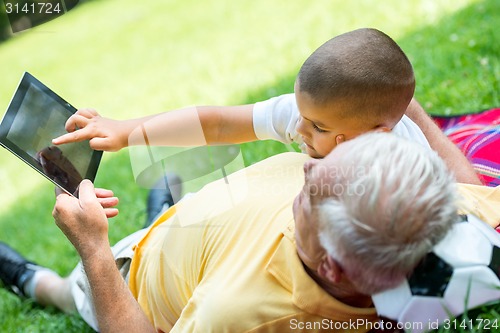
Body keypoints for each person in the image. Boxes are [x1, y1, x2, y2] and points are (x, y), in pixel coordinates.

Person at [1, 132, 460, 332]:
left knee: (69, 289)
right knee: (171, 204)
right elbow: (470, 193)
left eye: (308, 194)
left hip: (133, 278)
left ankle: (27, 277)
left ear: (333, 268)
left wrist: (94, 248)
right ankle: (162, 207)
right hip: (199, 235)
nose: (305, 166)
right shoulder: (425, 204)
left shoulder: (235, 315)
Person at [52, 28, 481, 185]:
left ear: (374, 137)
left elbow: (472, 205)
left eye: (316, 126)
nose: (299, 130)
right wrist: (128, 132)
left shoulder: (403, 172)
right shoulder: (307, 115)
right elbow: (217, 123)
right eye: (301, 113)